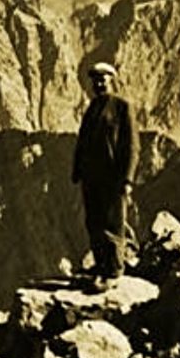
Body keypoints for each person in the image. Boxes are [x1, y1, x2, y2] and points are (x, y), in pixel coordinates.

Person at [71, 62, 139, 282]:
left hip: (113, 178)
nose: (98, 84)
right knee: (94, 223)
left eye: (102, 80)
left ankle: (113, 271)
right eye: (95, 81)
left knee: (113, 224)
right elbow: (83, 141)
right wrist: (77, 171)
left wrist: (127, 179)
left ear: (112, 80)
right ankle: (100, 266)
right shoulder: (93, 108)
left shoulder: (122, 107)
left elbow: (132, 146)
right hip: (91, 178)